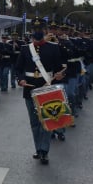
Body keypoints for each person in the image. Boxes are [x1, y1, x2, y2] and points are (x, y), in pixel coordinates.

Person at [15, 17, 65, 165]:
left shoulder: (53, 47)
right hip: (30, 89)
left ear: (45, 30)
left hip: (47, 87)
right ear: (31, 31)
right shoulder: (25, 48)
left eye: (40, 29)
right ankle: (38, 149)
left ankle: (44, 150)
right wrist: (21, 79)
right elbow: (18, 68)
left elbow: (60, 68)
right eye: (35, 29)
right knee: (34, 122)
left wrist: (60, 75)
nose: (37, 32)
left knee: (46, 120)